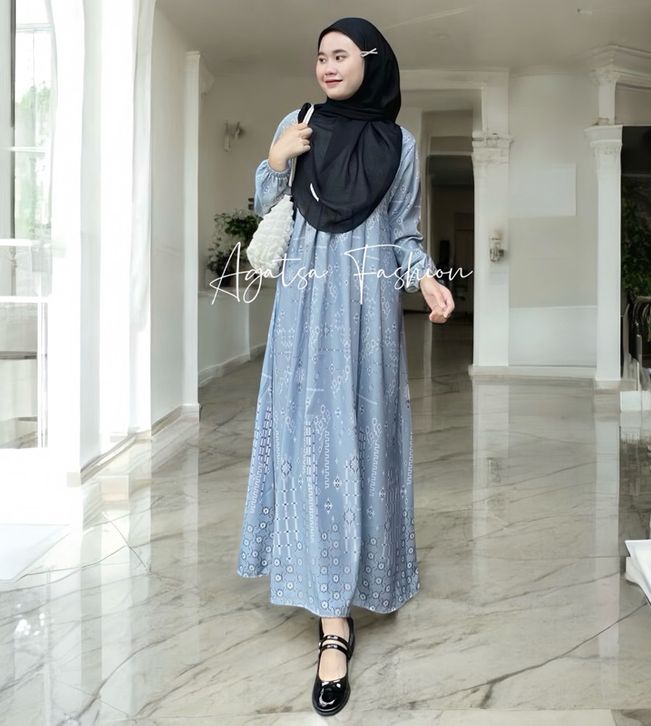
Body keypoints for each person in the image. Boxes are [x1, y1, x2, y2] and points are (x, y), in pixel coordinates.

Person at [236, 16, 455, 717]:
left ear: (371, 61)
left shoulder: (401, 145)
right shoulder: (297, 123)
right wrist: (277, 157)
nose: (327, 66)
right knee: (310, 443)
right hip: (304, 307)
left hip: (368, 314)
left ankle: (360, 578)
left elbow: (403, 232)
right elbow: (268, 207)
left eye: (340, 55)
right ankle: (333, 625)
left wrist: (426, 278)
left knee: (361, 440)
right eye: (320, 56)